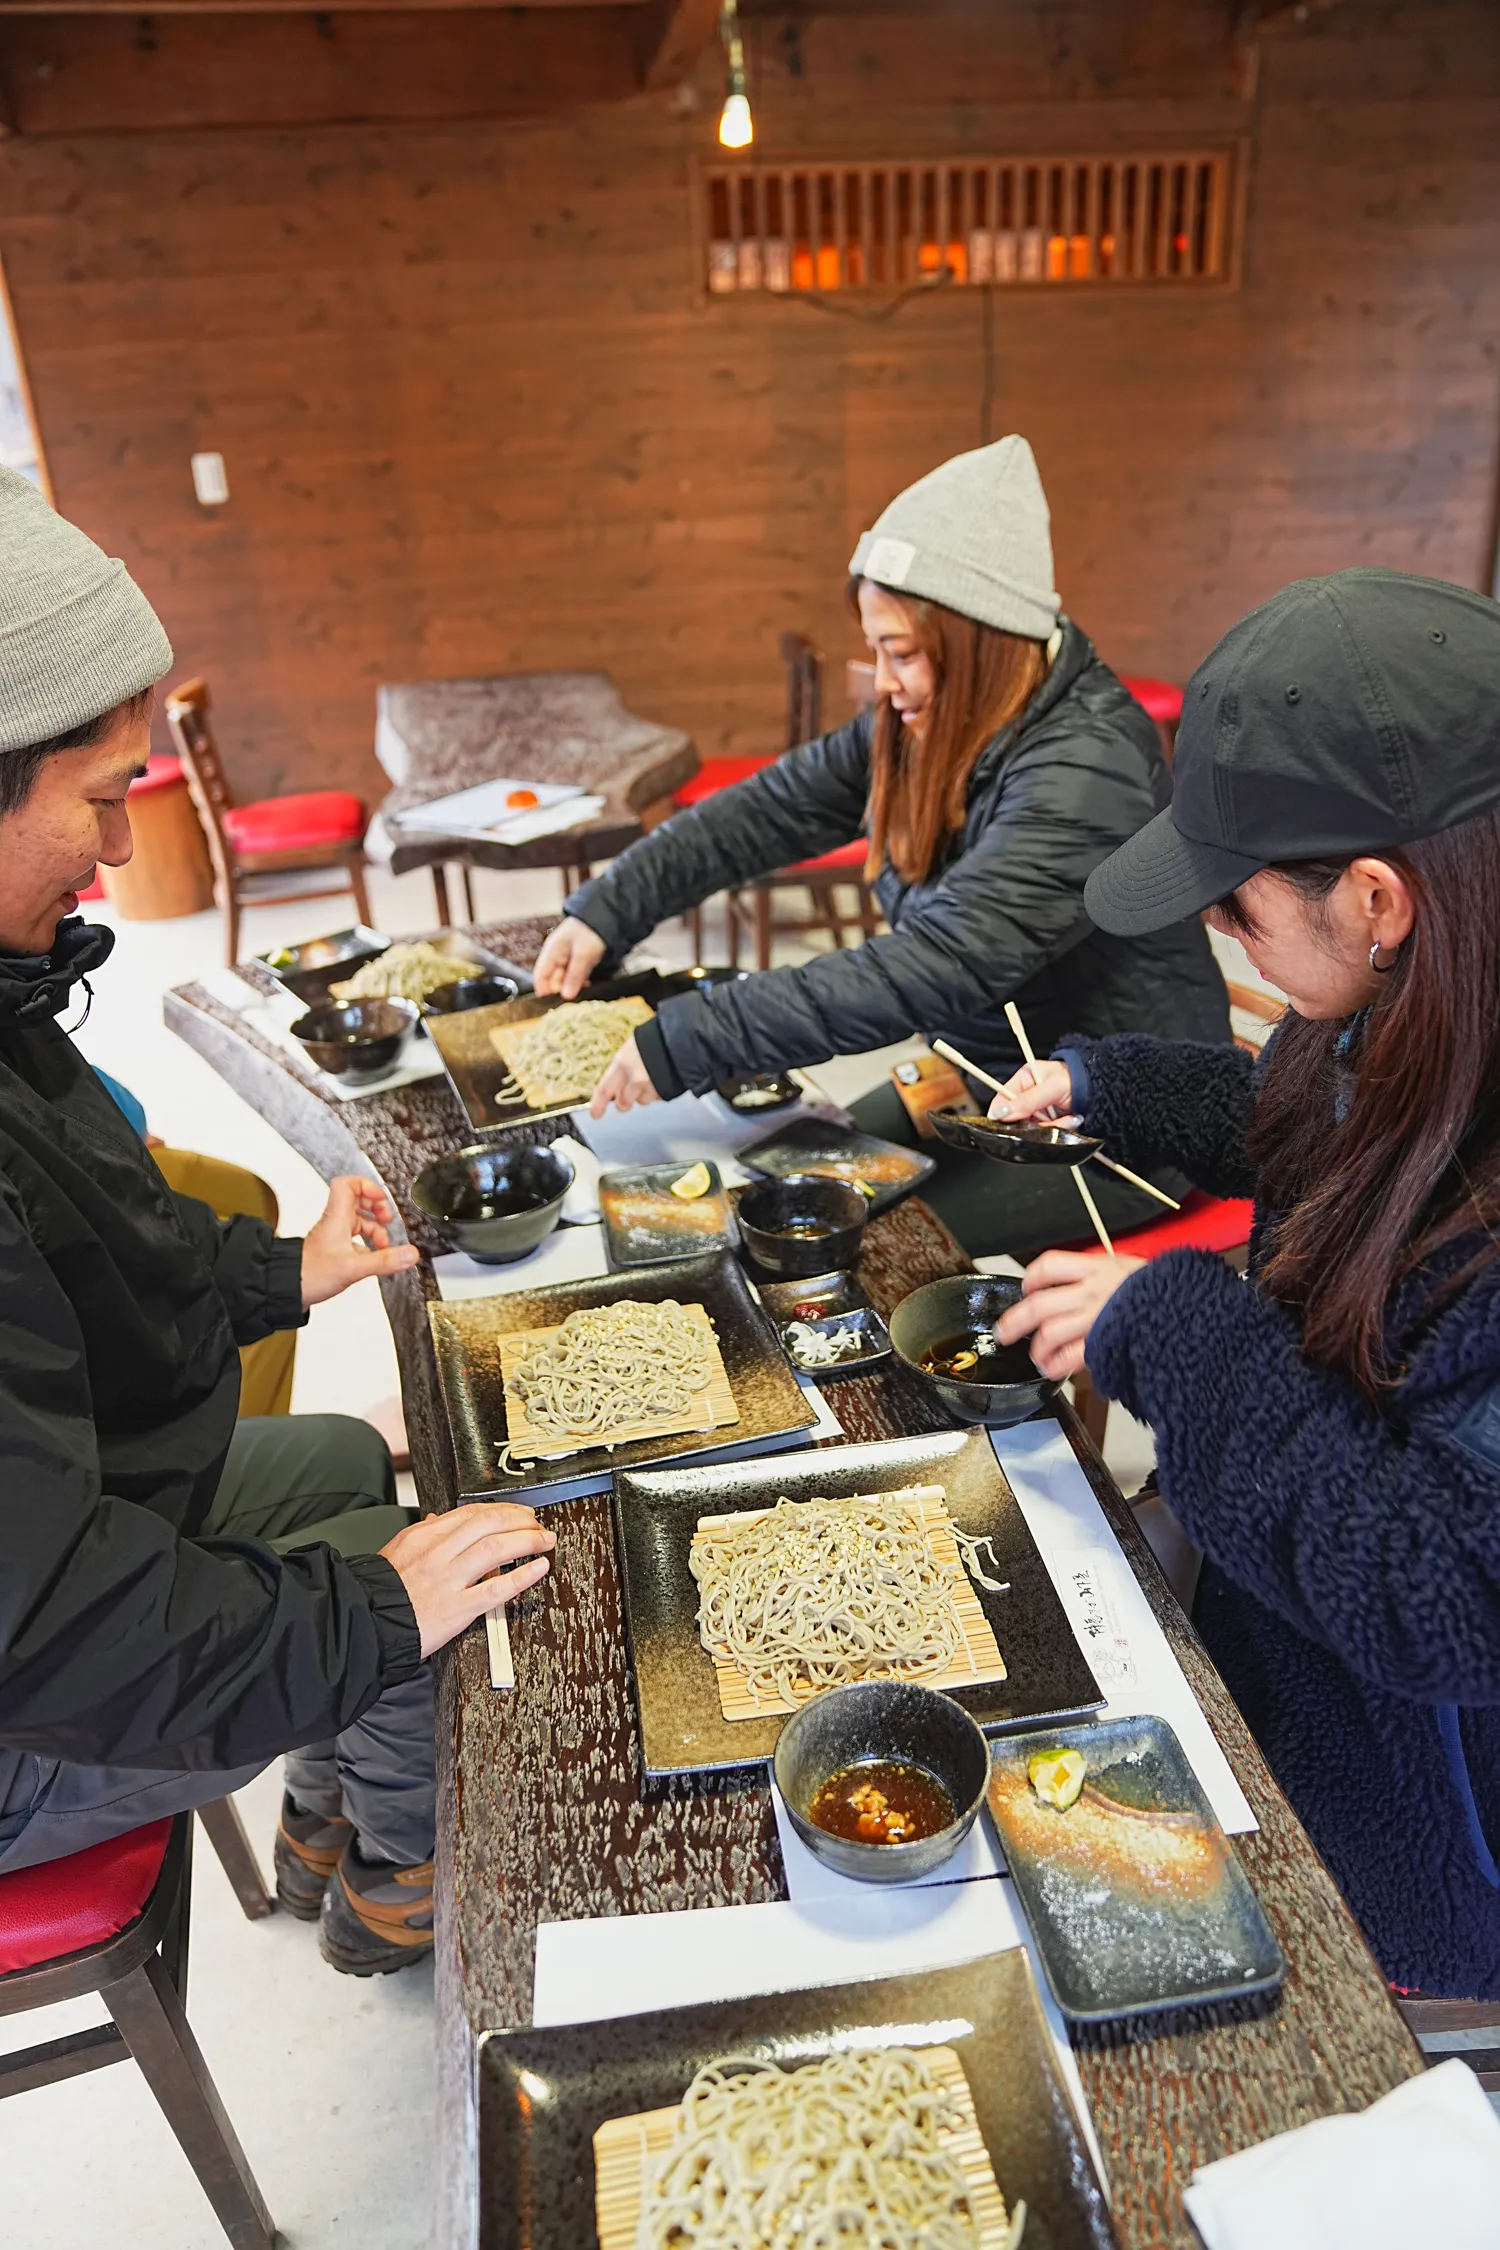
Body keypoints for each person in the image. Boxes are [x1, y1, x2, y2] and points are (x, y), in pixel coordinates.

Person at [0, 466, 554, 1975]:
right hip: (22, 1703)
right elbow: (43, 1622)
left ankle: (337, 1816)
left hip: (52, 1562)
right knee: (411, 1572)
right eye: (104, 798)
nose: (120, 855)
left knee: (328, 1462)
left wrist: (274, 1269)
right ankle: (392, 1883)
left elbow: (99, 1240)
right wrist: (368, 1608)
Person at [992, 565, 1500, 1998]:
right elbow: (1312, 1114)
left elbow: (1434, 1591)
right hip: (1281, 1657)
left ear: (1379, 898)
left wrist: (1176, 1320)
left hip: (1414, 1837)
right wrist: (1113, 1082)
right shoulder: (1417, 1007)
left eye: (1238, 911)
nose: (1222, 938)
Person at [534, 437, 1230, 1260]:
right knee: (771, 1190)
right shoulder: (933, 718)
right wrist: (608, 911)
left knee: (822, 1238)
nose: (883, 682)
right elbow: (766, 810)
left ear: (979, 646)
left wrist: (691, 1036)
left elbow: (933, 966)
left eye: (903, 654)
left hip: (1106, 1127)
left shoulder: (1087, 769)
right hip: (979, 1078)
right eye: (877, 651)